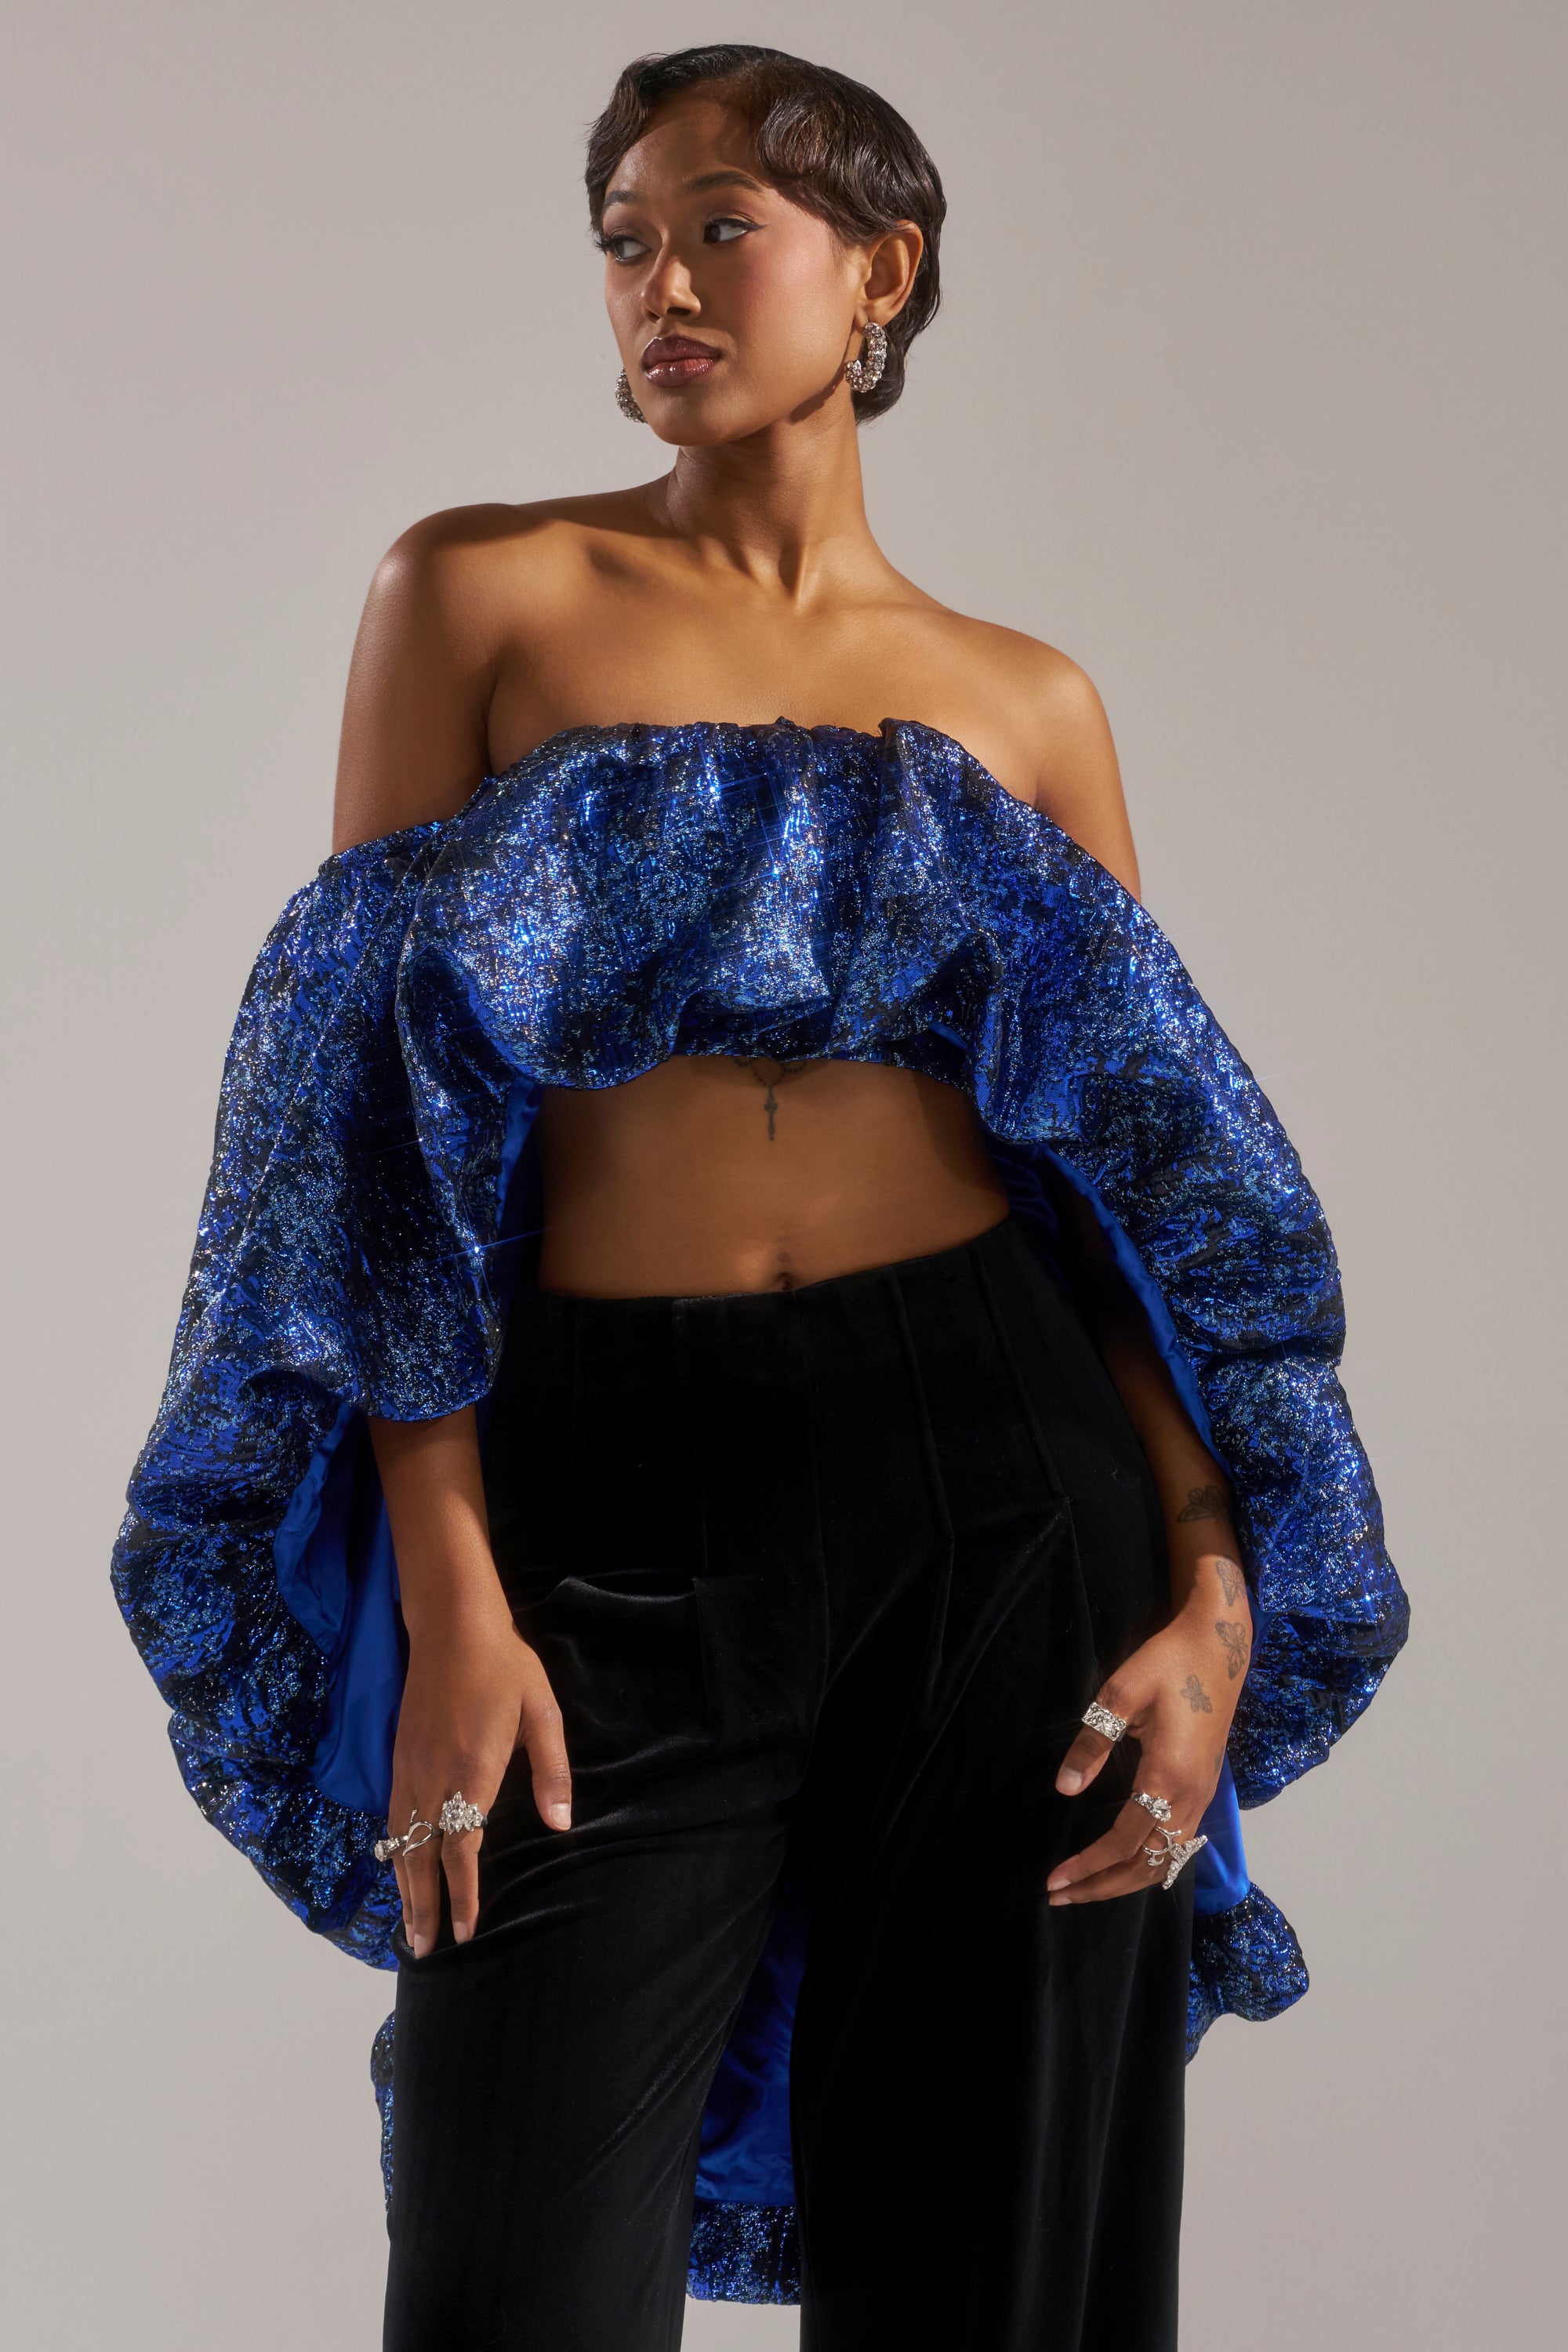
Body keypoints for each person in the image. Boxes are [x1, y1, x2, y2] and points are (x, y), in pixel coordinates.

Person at [113, 42, 1408, 2352]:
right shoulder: (479, 597)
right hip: (599, 1484)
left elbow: (1140, 1202)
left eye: (722, 225)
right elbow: (356, 1137)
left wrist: (1213, 1582)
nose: (661, 285)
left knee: (994, 2278)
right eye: (623, 237)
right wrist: (451, 1584)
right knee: (514, 2274)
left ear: (878, 271)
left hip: (1005, 1492)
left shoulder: (1024, 704)